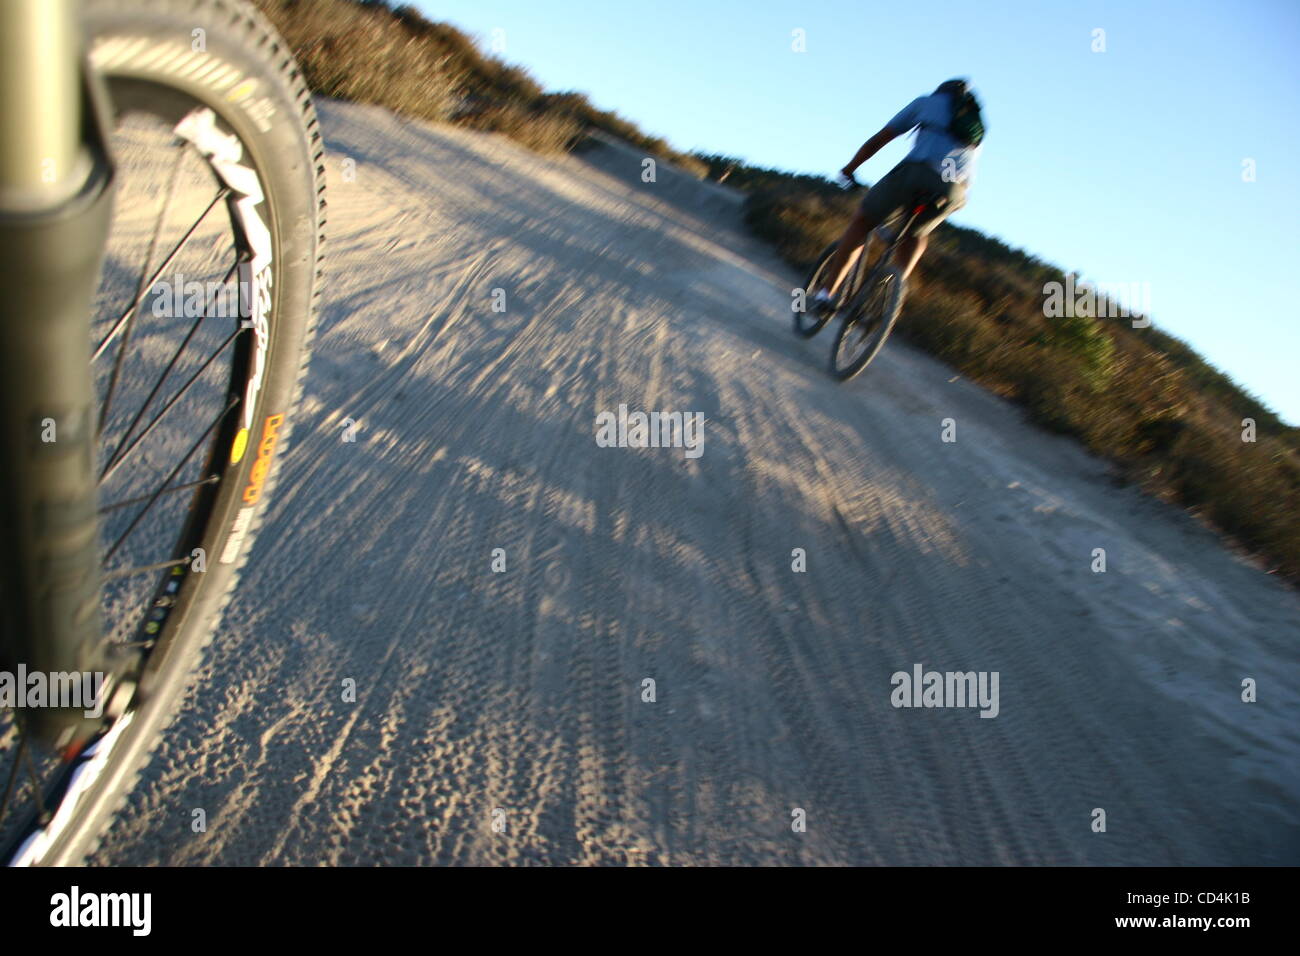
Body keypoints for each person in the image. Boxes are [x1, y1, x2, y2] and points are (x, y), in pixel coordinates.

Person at [811, 79, 984, 314]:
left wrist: (850, 168)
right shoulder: (975, 126)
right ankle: (889, 292)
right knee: (917, 233)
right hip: (955, 191)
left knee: (864, 219)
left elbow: (879, 140)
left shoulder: (928, 103)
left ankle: (826, 295)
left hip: (918, 172)